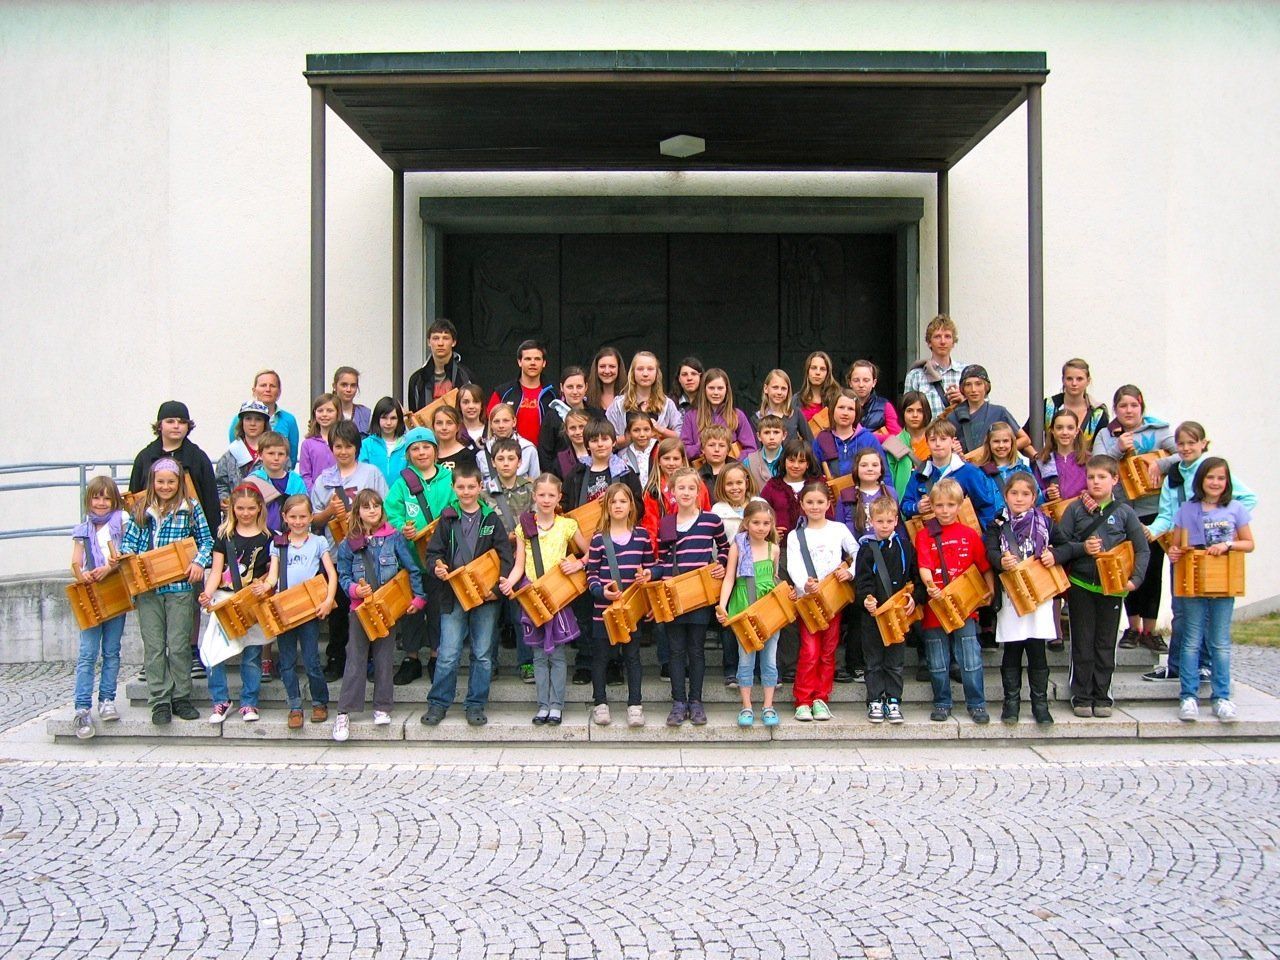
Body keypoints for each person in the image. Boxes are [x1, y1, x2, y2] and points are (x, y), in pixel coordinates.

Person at [1142, 423, 1257, 670]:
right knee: (1181, 611)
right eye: (1181, 443)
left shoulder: (1211, 471)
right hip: (1184, 552)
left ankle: (1203, 665)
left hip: (1214, 552)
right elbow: (1166, 515)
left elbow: (1248, 498)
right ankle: (1176, 667)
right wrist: (1149, 531)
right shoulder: (1173, 476)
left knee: (1208, 613)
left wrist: (1224, 522)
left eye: (1191, 443)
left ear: (1203, 444)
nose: (1186, 448)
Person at [1050, 455, 1150, 718]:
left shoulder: (1125, 512)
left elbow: (1142, 549)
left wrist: (1136, 579)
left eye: (1102, 477)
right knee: (1082, 642)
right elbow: (1060, 545)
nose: (1095, 482)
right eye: (1091, 477)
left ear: (1114, 480)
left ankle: (1102, 695)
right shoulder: (1074, 510)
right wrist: (1083, 548)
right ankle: (1081, 695)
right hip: (1081, 585)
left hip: (1113, 588)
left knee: (1105, 644)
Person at [422, 464, 517, 727]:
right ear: (453, 487)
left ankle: (476, 703)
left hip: (486, 597)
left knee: (483, 654)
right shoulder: (447, 518)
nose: (466, 492)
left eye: (471, 487)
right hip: (453, 595)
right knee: (448, 653)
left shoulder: (491, 519)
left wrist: (496, 590)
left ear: (480, 487)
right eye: (461, 487)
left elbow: (505, 558)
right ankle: (438, 703)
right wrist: (437, 567)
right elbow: (433, 553)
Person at [120, 459, 214, 726]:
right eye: (160, 481)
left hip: (179, 586)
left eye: (170, 481)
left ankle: (181, 696)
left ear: (179, 483)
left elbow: (206, 541)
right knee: (154, 645)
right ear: (153, 482)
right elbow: (129, 543)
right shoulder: (141, 509)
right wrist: (127, 558)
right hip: (148, 588)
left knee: (179, 643)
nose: (165, 486)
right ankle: (160, 699)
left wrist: (198, 563)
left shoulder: (190, 508)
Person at [331, 490, 426, 742]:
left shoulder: (394, 537)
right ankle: (344, 711)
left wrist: (418, 597)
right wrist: (355, 590)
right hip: (359, 609)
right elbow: (343, 575)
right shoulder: (348, 542)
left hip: (387, 607)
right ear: (357, 512)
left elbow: (412, 568)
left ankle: (382, 706)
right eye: (366, 507)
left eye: (376, 506)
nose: (372, 511)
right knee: (355, 657)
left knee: (384, 656)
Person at [1168, 458, 1253, 723]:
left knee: (1220, 642)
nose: (1215, 483)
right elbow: (1175, 545)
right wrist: (1174, 552)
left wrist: (1228, 545)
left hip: (1223, 582)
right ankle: (1188, 696)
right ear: (1201, 480)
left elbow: (1248, 543)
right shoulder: (1187, 509)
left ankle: (1222, 697)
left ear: (1227, 482)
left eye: (1220, 478)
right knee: (1191, 640)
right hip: (1193, 581)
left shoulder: (1235, 508)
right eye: (1210, 477)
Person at [1092, 385, 1176, 648]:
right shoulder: (1107, 434)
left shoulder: (1159, 430)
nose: (1128, 410)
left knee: (1152, 569)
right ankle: (1133, 627)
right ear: (1115, 409)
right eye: (1123, 406)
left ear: (1141, 407)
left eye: (1133, 405)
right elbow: (1098, 466)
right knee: (1128, 566)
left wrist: (1160, 463)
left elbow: (1184, 454)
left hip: (1153, 510)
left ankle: (1151, 631)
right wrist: (1117, 448)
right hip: (1122, 511)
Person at [502, 474, 587, 726]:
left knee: (557, 655)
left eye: (551, 495)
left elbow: (591, 552)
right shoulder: (524, 528)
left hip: (557, 594)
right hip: (532, 594)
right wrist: (509, 582)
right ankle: (542, 705)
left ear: (559, 497)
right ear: (534, 496)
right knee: (539, 656)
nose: (546, 499)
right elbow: (519, 565)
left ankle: (557, 705)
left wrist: (578, 564)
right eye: (542, 495)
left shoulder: (567, 525)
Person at [308, 420, 387, 681]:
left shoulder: (371, 473)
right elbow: (314, 521)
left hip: (369, 551)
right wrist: (330, 512)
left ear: (357, 448)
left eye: (348, 446)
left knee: (369, 606)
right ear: (331, 448)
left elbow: (383, 508)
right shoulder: (324, 480)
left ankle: (371, 660)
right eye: (338, 446)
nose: (343, 451)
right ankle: (336, 658)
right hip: (336, 552)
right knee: (340, 610)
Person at [914, 477, 994, 724]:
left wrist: (990, 591)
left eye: (950, 505)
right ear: (932, 507)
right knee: (937, 660)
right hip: (935, 607)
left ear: (960, 506)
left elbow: (984, 566)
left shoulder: (969, 534)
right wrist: (931, 586)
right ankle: (942, 701)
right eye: (939, 505)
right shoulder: (924, 535)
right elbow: (924, 566)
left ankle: (976, 703)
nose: (945, 510)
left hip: (965, 606)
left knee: (970, 657)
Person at [656, 467, 728, 727]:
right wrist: (655, 575)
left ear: (699, 492)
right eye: (681, 488)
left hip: (699, 594)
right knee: (675, 650)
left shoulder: (711, 521)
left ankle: (695, 701)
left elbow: (725, 548)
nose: (686, 492)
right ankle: (678, 701)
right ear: (672, 492)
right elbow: (661, 559)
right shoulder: (666, 523)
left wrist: (721, 563)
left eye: (691, 488)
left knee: (696, 650)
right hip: (673, 594)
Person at [199, 484, 277, 724]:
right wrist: (207, 593)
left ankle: (249, 701)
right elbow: (216, 571)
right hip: (225, 598)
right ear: (233, 508)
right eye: (240, 508)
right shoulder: (224, 536)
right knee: (214, 651)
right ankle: (220, 699)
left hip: (252, 601)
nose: (245, 513)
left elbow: (272, 572)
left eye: (251, 508)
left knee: (252, 653)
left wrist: (265, 585)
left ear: (259, 508)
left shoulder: (269, 538)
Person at [985, 473, 1058, 725]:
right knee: (1012, 649)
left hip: (1039, 593)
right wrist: (1000, 560)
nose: (1019, 498)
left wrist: (1054, 554)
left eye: (1025, 494)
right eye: (1014, 493)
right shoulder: (996, 524)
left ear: (1034, 497)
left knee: (1037, 649)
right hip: (1011, 595)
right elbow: (990, 551)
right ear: (1006, 496)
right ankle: (1011, 703)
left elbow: (1065, 546)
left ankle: (1040, 704)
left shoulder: (1046, 523)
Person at [385, 427, 456, 686]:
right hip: (411, 559)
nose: (421, 452)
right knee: (412, 609)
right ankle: (411, 657)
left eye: (426, 447)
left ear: (436, 451)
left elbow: (459, 506)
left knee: (438, 608)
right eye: (415, 448)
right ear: (408, 454)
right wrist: (402, 527)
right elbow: (391, 512)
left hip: (441, 558)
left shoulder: (449, 479)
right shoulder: (402, 483)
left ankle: (436, 654)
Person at [785, 480, 857, 722]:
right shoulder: (796, 536)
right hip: (809, 600)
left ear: (828, 504)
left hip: (833, 599)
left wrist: (850, 572)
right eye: (810, 502)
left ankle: (821, 698)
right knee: (809, 650)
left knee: (828, 650)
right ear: (802, 504)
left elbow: (858, 551)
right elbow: (793, 564)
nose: (815, 506)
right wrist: (804, 584)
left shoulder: (839, 529)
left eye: (819, 502)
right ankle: (803, 700)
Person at [585, 483, 653, 727]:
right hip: (603, 611)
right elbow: (591, 574)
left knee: (632, 657)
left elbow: (651, 567)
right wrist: (600, 591)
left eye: (623, 501)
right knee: (601, 657)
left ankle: (635, 705)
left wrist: (647, 577)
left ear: (631, 506)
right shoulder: (598, 539)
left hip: (632, 610)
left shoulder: (642, 536)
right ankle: (600, 703)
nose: (618, 506)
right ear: (606, 507)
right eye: (613, 502)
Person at [268, 494, 337, 729]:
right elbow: (272, 577)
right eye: (293, 517)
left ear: (310, 517)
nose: (298, 521)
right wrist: (263, 587)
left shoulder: (318, 542)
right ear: (285, 517)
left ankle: (319, 702)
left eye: (303, 516)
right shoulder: (278, 543)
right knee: (287, 662)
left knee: (311, 660)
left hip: (309, 609)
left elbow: (331, 574)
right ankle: (295, 705)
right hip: (285, 609)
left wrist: (328, 600)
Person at [854, 495, 925, 725]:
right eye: (879, 521)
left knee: (895, 661)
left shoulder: (905, 547)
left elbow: (916, 577)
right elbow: (862, 581)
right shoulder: (866, 549)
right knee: (873, 661)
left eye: (888, 521)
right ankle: (875, 699)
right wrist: (866, 599)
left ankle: (893, 700)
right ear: (871, 521)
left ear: (896, 521)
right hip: (874, 616)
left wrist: (914, 598)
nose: (884, 526)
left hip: (899, 615)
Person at [716, 500, 787, 728]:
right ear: (746, 523)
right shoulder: (737, 546)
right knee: (746, 660)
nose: (761, 527)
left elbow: (774, 578)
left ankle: (768, 705)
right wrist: (722, 605)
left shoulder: (773, 549)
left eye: (766, 523)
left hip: (769, 610)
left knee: (770, 660)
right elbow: (729, 578)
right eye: (756, 522)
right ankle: (746, 706)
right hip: (744, 606)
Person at [69, 476, 128, 739]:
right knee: (88, 653)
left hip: (114, 589)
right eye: (96, 497)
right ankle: (82, 707)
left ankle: (107, 699)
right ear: (88, 499)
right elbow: (75, 561)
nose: (101, 502)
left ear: (114, 500)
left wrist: (108, 568)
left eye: (106, 497)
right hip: (91, 591)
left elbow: (123, 555)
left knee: (112, 650)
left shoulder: (121, 522)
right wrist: (83, 575)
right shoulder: (83, 528)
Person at [483, 438, 536, 685]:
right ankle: (489, 663)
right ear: (493, 462)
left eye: (511, 458)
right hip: (493, 559)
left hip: (521, 559)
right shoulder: (485, 492)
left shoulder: (530, 488)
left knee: (520, 613)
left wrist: (520, 540)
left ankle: (526, 662)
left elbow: (536, 521)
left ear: (519, 461)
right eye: (500, 459)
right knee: (491, 615)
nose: (506, 463)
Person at [901, 419, 998, 529]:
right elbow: (904, 506)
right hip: (931, 536)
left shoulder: (969, 472)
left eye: (943, 439)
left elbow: (985, 507)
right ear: (927, 443)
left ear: (952, 441)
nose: (938, 444)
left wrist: (987, 536)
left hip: (964, 535)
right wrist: (916, 507)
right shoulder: (919, 473)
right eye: (933, 440)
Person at [947, 365, 1034, 457]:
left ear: (986, 387)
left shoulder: (999, 412)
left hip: (996, 464)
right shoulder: (953, 417)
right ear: (962, 389)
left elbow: (1025, 439)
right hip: (967, 464)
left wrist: (999, 449)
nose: (973, 389)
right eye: (968, 385)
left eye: (978, 384)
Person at [812, 389, 890, 487]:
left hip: (864, 494)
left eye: (850, 409)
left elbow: (885, 475)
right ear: (832, 410)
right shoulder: (822, 440)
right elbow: (813, 476)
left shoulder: (868, 439)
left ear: (856, 413)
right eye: (841, 407)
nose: (845, 413)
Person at [640, 437, 710, 542]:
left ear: (683, 461)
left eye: (676, 459)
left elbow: (706, 514)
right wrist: (654, 552)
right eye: (666, 458)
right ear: (658, 461)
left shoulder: (697, 485)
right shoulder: (653, 491)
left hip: (695, 542)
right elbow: (650, 527)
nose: (671, 463)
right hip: (666, 545)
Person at [487, 339, 556, 446]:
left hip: (543, 454)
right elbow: (489, 425)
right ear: (519, 362)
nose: (533, 363)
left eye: (537, 359)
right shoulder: (502, 392)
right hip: (508, 453)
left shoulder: (553, 395)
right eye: (528, 359)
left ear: (544, 363)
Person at [225, 370, 300, 467]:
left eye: (272, 386)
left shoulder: (289, 420)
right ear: (254, 390)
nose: (268, 389)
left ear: (279, 391)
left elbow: (292, 457)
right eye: (263, 385)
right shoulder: (239, 419)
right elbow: (234, 452)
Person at [681, 367, 757, 461]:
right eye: (711, 388)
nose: (716, 392)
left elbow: (751, 449)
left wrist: (735, 463)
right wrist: (701, 447)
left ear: (726, 390)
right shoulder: (691, 416)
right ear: (704, 389)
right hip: (701, 468)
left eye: (720, 388)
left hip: (731, 468)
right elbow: (683, 450)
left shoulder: (737, 415)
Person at [606, 351, 682, 441]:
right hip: (626, 450)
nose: (645, 374)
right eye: (640, 369)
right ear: (633, 373)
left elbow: (681, 435)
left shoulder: (667, 404)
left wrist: (661, 430)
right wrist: (633, 436)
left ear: (657, 373)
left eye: (650, 369)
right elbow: (607, 438)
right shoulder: (618, 405)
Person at [903, 314, 965, 420]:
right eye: (937, 336)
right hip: (928, 430)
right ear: (929, 343)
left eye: (947, 336)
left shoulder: (966, 372)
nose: (943, 341)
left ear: (953, 342)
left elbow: (983, 410)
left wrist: (964, 400)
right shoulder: (915, 375)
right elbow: (907, 413)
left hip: (959, 430)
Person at [759, 437, 822, 540]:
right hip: (782, 544)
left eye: (801, 461)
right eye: (791, 460)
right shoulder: (772, 486)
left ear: (808, 464)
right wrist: (770, 531)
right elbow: (759, 513)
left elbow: (828, 515)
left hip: (815, 542)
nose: (796, 466)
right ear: (784, 461)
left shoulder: (817, 484)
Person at [407, 318, 474, 412]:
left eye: (445, 338)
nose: (440, 343)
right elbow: (414, 416)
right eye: (436, 338)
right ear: (428, 342)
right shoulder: (417, 380)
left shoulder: (465, 376)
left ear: (454, 342)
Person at [245, 431, 306, 534]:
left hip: (292, 535)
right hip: (260, 534)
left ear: (287, 457)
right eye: (271, 453)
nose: (276, 458)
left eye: (281, 454)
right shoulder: (253, 481)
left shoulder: (297, 482)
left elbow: (305, 511)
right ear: (260, 455)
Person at [975, 422, 1042, 513]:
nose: (1001, 445)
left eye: (1005, 441)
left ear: (1012, 442)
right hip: (995, 521)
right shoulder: (981, 474)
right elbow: (980, 506)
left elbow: (1038, 499)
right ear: (988, 443)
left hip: (1024, 520)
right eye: (996, 441)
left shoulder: (1023, 470)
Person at [1044, 358, 1107, 449]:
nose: (1074, 383)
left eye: (1079, 379)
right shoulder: (1048, 406)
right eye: (1069, 379)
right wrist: (1036, 455)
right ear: (1063, 380)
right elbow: (1026, 437)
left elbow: (1103, 448)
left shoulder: (1098, 413)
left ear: (1088, 381)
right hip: (1051, 458)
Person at [216, 400, 270, 505]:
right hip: (238, 510)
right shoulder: (230, 454)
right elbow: (220, 484)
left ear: (265, 423)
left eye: (258, 419)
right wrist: (225, 500)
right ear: (242, 423)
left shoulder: (275, 451)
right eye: (248, 419)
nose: (253, 424)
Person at [538, 365, 591, 469]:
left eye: (579, 387)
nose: (575, 392)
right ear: (562, 387)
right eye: (570, 387)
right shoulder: (552, 417)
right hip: (560, 474)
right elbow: (545, 454)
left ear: (586, 387)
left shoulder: (596, 414)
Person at [1036, 408, 1090, 505]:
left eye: (1070, 428)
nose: (1065, 432)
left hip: (1081, 511)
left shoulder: (1088, 460)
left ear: (1077, 431)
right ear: (1052, 430)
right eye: (1059, 428)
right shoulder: (1044, 460)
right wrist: (1046, 494)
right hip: (1054, 512)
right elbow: (1034, 494)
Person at [479, 402, 540, 483]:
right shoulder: (483, 451)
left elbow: (535, 482)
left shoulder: (528, 449)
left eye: (506, 421)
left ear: (514, 422)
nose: (501, 425)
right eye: (496, 421)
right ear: (491, 424)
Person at [885, 390, 931, 500]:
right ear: (902, 413)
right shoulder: (894, 443)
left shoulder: (935, 440)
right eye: (910, 410)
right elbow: (889, 481)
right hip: (904, 503)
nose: (915, 415)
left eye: (920, 411)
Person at [358, 397, 411, 486]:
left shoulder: (407, 444)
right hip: (373, 494)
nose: (388, 423)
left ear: (399, 420)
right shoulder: (366, 445)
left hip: (401, 494)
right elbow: (362, 476)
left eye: (393, 418)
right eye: (384, 418)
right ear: (376, 419)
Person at [753, 369, 812, 444]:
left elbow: (810, 442)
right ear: (766, 388)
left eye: (783, 389)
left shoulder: (795, 413)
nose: (779, 392)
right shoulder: (757, 418)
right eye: (775, 387)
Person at [846, 359, 901, 440]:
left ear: (874, 383)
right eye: (856, 380)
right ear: (850, 382)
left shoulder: (885, 406)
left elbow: (897, 437)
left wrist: (869, 437)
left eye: (866, 380)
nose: (861, 385)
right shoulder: (841, 405)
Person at [298, 393, 340, 491]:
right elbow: (305, 475)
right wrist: (314, 493)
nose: (324, 414)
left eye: (329, 411)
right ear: (314, 413)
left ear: (338, 413)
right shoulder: (307, 444)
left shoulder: (344, 441)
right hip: (316, 494)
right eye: (320, 411)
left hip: (341, 494)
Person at [431, 404, 479, 475]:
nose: (444, 427)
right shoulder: (429, 455)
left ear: (458, 427)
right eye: (439, 423)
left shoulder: (467, 456)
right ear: (433, 426)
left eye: (449, 423)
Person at [744, 414, 787, 492]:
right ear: (759, 436)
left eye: (776, 432)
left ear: (784, 435)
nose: (771, 437)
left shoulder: (790, 460)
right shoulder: (749, 462)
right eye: (767, 432)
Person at [796, 351, 840, 424]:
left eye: (822, 369)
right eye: (813, 368)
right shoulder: (796, 400)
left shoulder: (837, 398)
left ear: (828, 373)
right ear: (807, 371)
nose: (817, 372)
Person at [620, 410, 658, 490]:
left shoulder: (660, 450)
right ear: (629, 433)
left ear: (652, 431)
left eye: (646, 429)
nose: (642, 434)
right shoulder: (624, 457)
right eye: (636, 430)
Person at [550, 409, 591, 480]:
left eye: (581, 427)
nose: (578, 432)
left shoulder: (601, 454)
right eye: (573, 428)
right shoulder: (561, 460)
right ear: (567, 431)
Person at [331, 366, 372, 434]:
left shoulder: (365, 414)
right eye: (344, 385)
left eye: (353, 385)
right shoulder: (326, 413)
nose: (349, 389)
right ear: (334, 386)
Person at [586, 346, 623, 416]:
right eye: (602, 366)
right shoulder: (586, 398)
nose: (607, 371)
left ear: (619, 368)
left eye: (612, 366)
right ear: (596, 368)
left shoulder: (629, 397)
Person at [696, 425, 736, 489]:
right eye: (711, 445)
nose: (717, 449)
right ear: (702, 449)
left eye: (722, 445)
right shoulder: (698, 477)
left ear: (728, 450)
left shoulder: (739, 470)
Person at [670, 356, 704, 423]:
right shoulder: (670, 403)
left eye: (694, 374)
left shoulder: (708, 401)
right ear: (679, 379)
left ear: (701, 377)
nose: (689, 378)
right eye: (684, 374)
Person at [457, 383, 488, 448]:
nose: (471, 406)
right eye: (466, 402)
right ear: (459, 405)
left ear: (481, 405)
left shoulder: (491, 431)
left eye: (476, 402)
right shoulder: (455, 433)